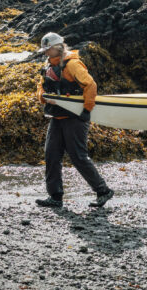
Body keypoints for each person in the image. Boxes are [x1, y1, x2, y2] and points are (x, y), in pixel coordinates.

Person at [34, 32, 114, 209]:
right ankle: (55, 196)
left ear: (58, 47)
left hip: (76, 117)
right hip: (57, 116)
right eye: (45, 50)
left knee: (78, 156)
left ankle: (103, 191)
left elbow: (90, 85)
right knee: (51, 154)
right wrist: (42, 97)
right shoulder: (48, 64)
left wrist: (87, 109)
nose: (46, 53)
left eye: (48, 49)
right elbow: (41, 85)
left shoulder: (73, 64)